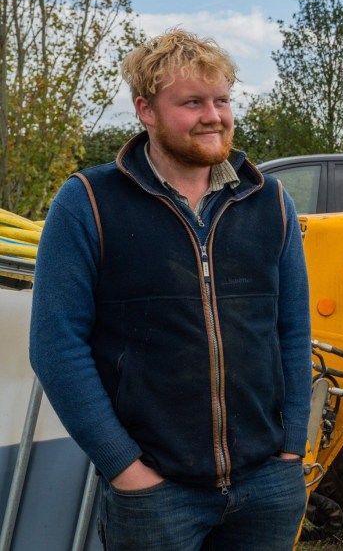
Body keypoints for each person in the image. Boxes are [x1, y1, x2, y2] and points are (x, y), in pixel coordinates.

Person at [29, 28, 312, 550]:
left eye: (221, 99)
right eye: (192, 102)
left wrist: (292, 445)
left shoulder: (267, 200)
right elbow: (55, 347)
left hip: (266, 484)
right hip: (156, 495)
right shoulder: (89, 202)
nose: (214, 115)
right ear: (146, 110)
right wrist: (124, 467)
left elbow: (293, 330)